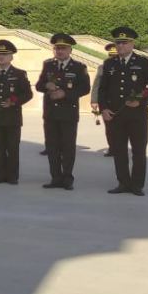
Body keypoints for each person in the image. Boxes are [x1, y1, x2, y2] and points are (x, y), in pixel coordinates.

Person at [96, 26, 148, 195]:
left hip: (137, 115)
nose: (121, 46)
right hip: (116, 114)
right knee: (119, 151)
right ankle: (123, 183)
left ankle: (137, 185)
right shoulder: (109, 63)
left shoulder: (142, 62)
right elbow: (102, 89)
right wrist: (103, 109)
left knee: (139, 151)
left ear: (132, 44)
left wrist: (140, 100)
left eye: (124, 43)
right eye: (118, 43)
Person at [36, 33, 91, 190]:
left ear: (70, 50)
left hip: (69, 113)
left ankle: (67, 178)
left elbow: (85, 88)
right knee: (52, 147)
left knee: (68, 147)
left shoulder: (79, 67)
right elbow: (39, 85)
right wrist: (46, 85)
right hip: (51, 113)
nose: (59, 51)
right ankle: (55, 177)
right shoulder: (48, 66)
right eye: (57, 48)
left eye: (63, 48)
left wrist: (65, 93)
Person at [0, 39, 32, 184]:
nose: (1, 57)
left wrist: (14, 102)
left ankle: (12, 176)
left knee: (12, 148)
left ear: (11, 57)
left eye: (5, 54)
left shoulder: (20, 74)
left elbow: (28, 94)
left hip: (12, 118)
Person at [92, 43, 118, 157]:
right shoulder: (102, 67)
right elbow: (97, 84)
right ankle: (112, 148)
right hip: (106, 102)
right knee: (109, 127)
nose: (113, 58)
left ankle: (120, 147)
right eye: (111, 56)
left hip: (122, 103)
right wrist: (94, 100)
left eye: (115, 56)